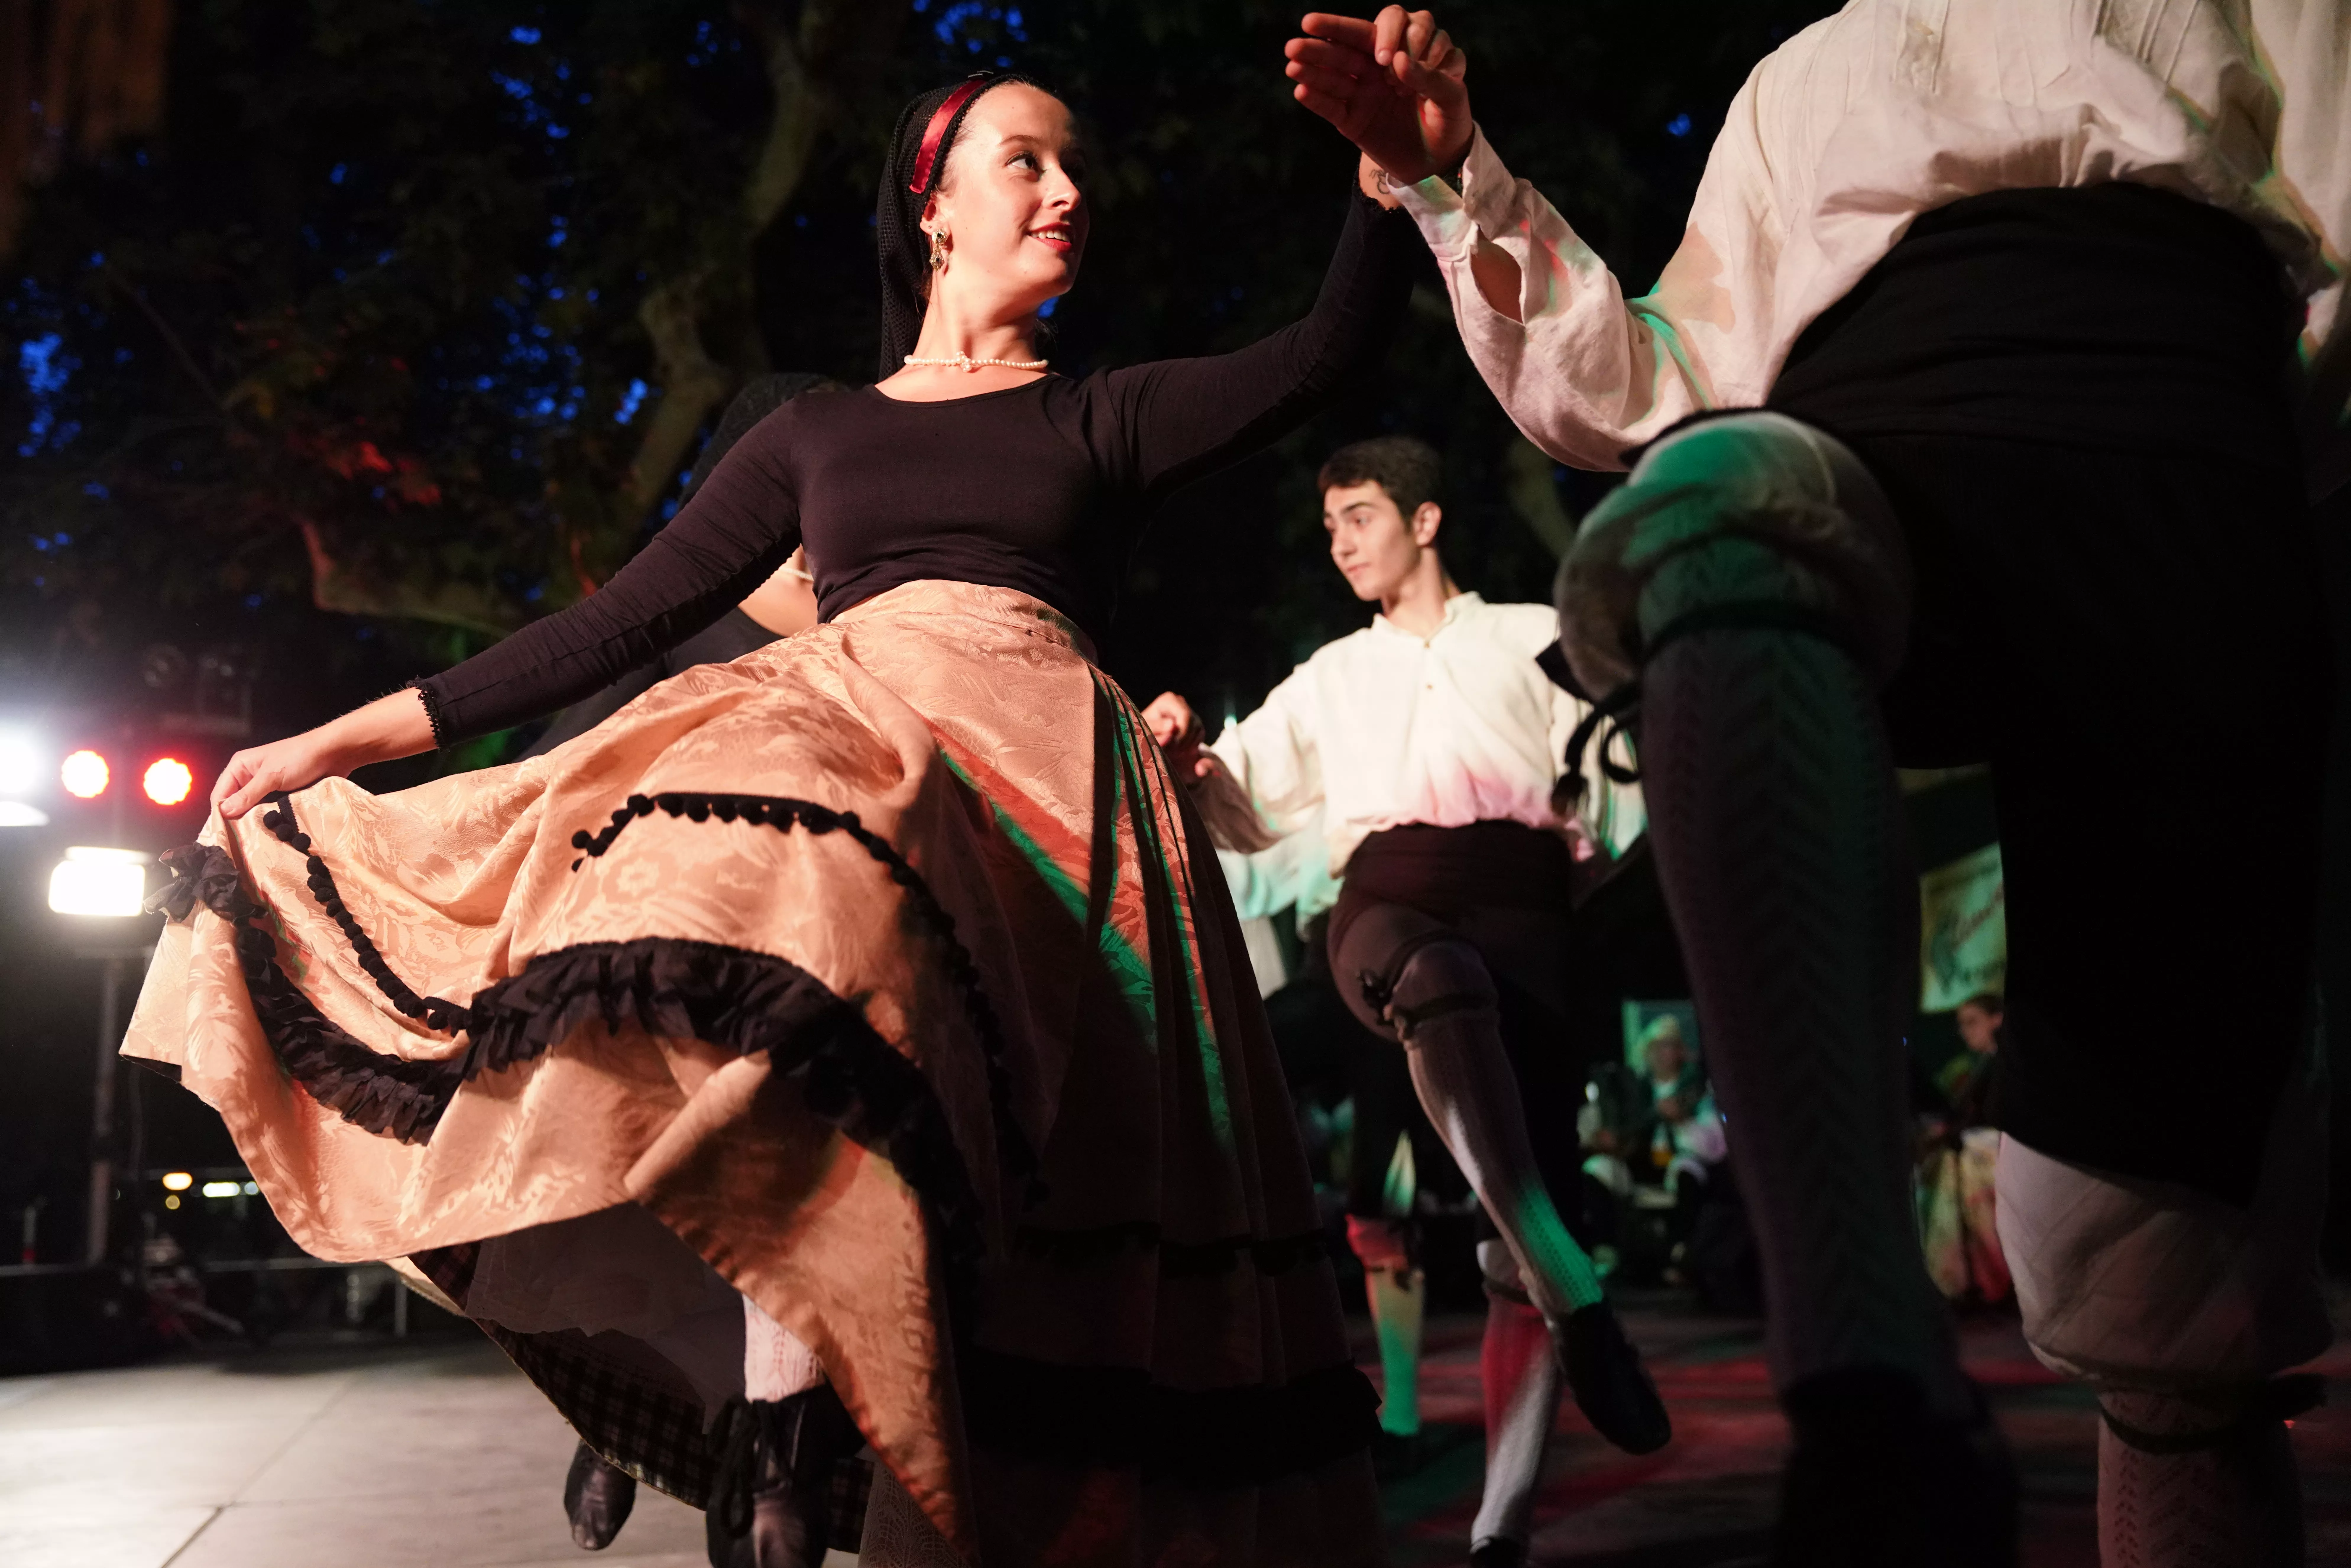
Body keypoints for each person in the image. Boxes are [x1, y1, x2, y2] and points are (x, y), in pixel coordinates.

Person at [127, 70, 1424, 1568]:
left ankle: (867, 1458)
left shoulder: (1095, 414)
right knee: (791, 933)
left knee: (1051, 1236)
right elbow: (614, 623)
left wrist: (1390, 185)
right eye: (1028, 163)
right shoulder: (818, 432)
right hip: (857, 763)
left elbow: (1324, 354)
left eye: (1078, 170)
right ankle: (786, 1456)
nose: (1069, 195)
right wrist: (335, 736)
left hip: (1053, 820)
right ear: (932, 205)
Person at [1285, 6, 2345, 1564]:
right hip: (1879, 480)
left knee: (2162, 1270)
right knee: (1711, 503)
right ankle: (1862, 1344)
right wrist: (1466, 183)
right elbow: (1649, 380)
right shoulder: (1804, 74)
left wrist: (2260, 507)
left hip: (2174, 449)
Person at [1147, 434, 1665, 1568]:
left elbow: (1623, 784)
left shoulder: (1535, 639)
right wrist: (1188, 756)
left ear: (1423, 522)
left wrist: (1573, 866)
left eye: (1359, 517)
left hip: (1529, 919)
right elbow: (1246, 804)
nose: (1338, 544)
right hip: (1388, 901)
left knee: (1510, 1234)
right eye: (1327, 525)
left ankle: (1498, 1529)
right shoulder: (1331, 675)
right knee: (1432, 981)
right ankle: (1577, 1287)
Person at [1918, 992, 2012, 1307]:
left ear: (1997, 1021)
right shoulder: (1969, 1066)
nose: (1966, 1031)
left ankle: (1969, 1280)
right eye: (1962, 1025)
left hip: (2008, 1145)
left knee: (1962, 1163)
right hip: (1983, 1140)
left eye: (1973, 1022)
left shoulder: (2009, 1062)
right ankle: (1943, 1277)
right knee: (1932, 1162)